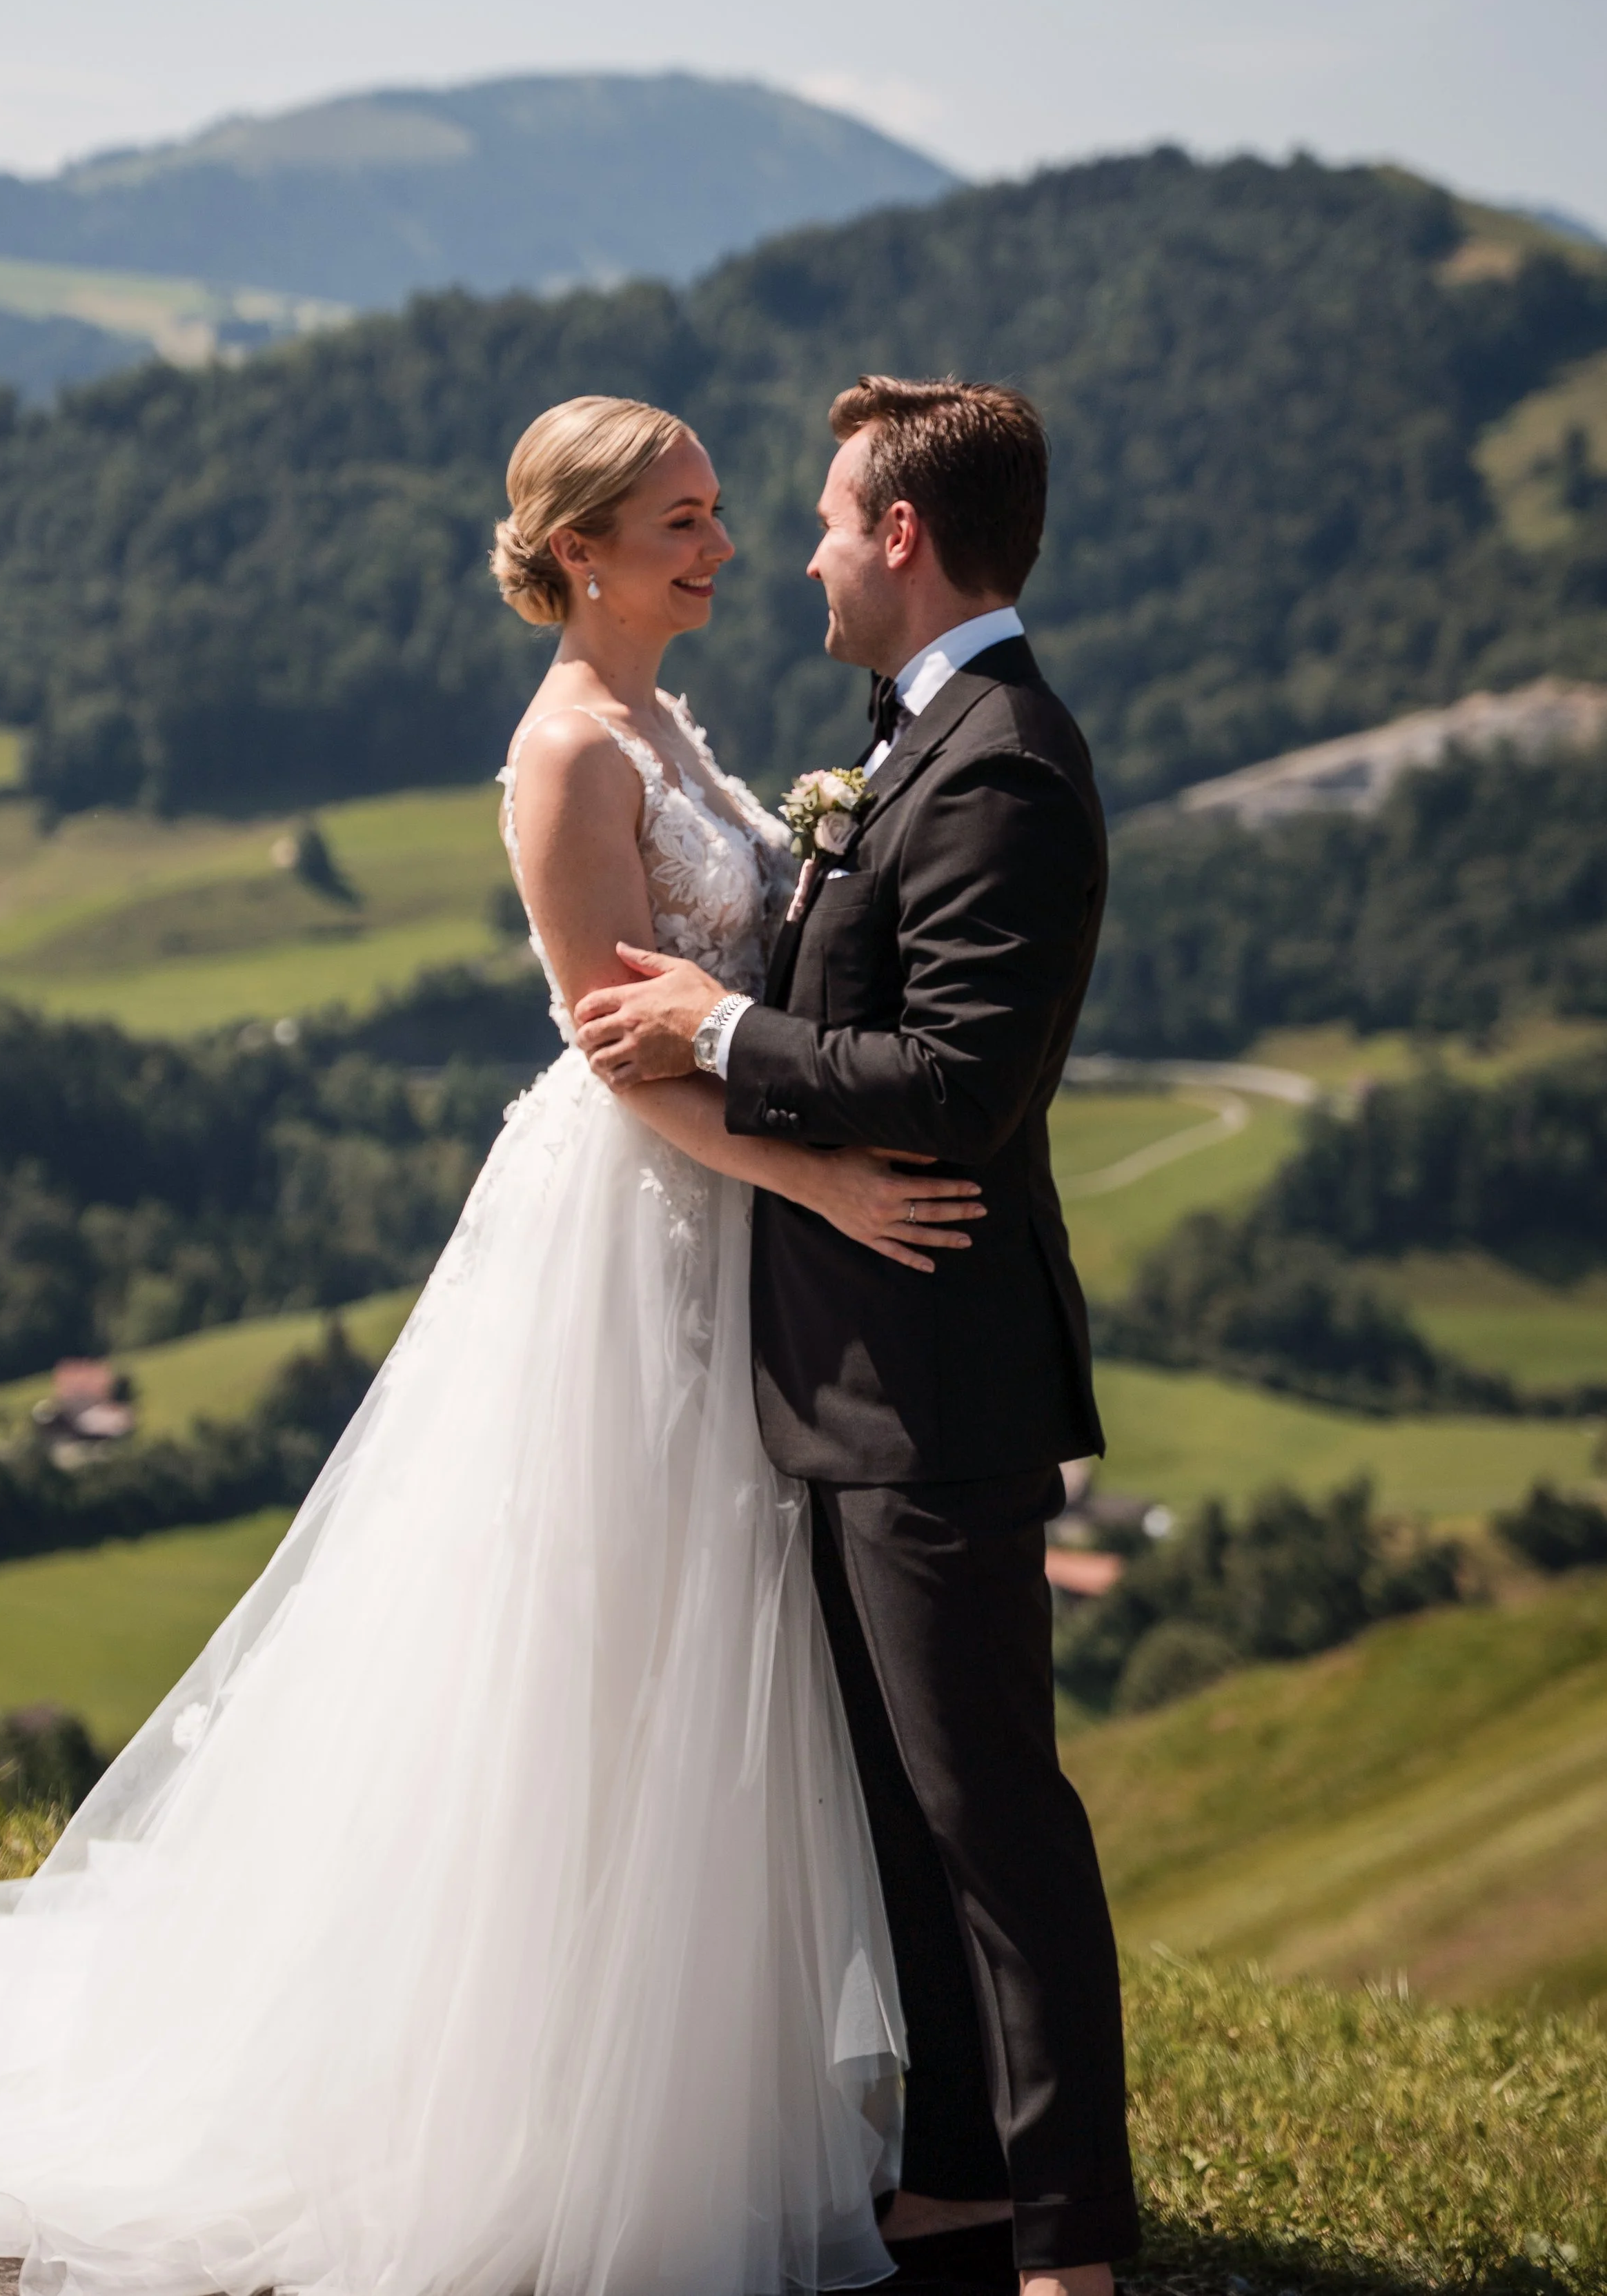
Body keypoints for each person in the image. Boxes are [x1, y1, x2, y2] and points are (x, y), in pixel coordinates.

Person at [0, 395, 989, 2296]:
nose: (718, 548)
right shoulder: (565, 754)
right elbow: (618, 1056)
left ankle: (694, 2089)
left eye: (721, 513)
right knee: (601, 1649)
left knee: (705, 1652)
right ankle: (536, 2110)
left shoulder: (664, 723)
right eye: (679, 521)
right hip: (642, 1231)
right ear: (578, 552)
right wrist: (822, 1184)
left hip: (724, 1226)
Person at [575, 377, 1141, 2296]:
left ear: (901, 533)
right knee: (910, 1807)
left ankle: (1070, 2234)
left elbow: (960, 1082)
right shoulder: (915, 739)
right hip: (851, 1373)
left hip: (935, 1375)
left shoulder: (998, 765)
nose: (799, 555)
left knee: (992, 1810)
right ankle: (966, 2173)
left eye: (824, 519)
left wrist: (721, 1031)